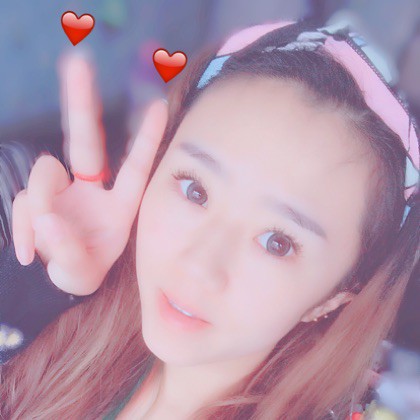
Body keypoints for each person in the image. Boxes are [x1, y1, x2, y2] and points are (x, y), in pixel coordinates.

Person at [0, 18, 419, 419]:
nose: (199, 266)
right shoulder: (67, 321)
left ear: (333, 298)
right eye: (195, 190)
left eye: (277, 242)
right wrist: (38, 290)